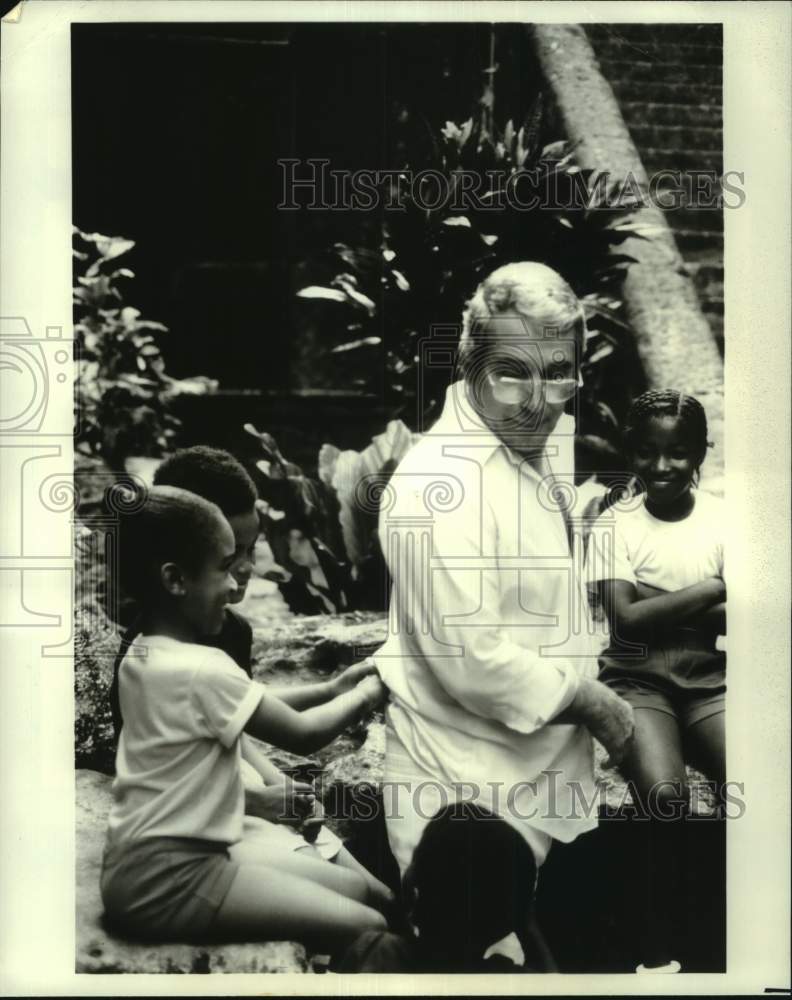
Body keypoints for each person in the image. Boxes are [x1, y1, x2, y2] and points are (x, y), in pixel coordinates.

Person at [373, 262, 634, 963]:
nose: (540, 399)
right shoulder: (434, 482)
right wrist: (597, 703)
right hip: (467, 810)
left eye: (561, 372)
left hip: (556, 791)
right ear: (468, 361)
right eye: (513, 372)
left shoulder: (542, 432)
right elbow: (473, 661)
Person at [102, 485, 390, 953]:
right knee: (368, 922)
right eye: (223, 567)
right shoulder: (202, 668)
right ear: (175, 579)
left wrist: (330, 688)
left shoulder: (144, 651)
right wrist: (369, 693)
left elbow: (246, 702)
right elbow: (305, 735)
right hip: (174, 881)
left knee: (357, 891)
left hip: (139, 868)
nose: (237, 585)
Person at [585, 389, 725, 973]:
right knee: (665, 798)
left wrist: (654, 601)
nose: (661, 467)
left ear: (700, 453)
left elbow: (744, 614)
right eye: (646, 453)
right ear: (630, 453)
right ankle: (654, 949)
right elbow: (625, 620)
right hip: (636, 680)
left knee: (765, 779)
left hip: (708, 679)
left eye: (677, 453)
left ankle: (742, 930)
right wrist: (716, 587)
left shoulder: (725, 519)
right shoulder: (616, 525)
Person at [337, 801, 550, 973]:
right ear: (512, 920)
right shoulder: (504, 981)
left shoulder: (377, 952)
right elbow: (555, 983)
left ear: (414, 885)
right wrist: (522, 919)